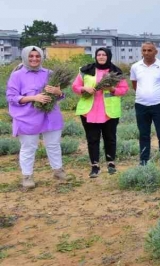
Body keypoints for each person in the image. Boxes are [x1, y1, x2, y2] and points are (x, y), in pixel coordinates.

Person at [6, 46, 67, 189]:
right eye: (31, 56)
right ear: (25, 57)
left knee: (53, 144)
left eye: (37, 56)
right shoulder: (17, 75)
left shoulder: (50, 73)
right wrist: (34, 98)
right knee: (28, 147)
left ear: (41, 57)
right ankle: (27, 177)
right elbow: (11, 97)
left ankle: (58, 170)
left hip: (50, 115)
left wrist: (58, 92)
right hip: (27, 117)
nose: (34, 59)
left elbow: (59, 96)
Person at [73, 47, 130, 177]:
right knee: (92, 139)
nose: (101, 57)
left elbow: (124, 89)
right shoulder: (86, 70)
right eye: (99, 54)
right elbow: (75, 87)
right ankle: (95, 166)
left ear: (108, 56)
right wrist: (84, 88)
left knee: (110, 138)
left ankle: (111, 164)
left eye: (104, 54)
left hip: (108, 111)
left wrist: (112, 89)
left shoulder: (116, 71)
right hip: (89, 111)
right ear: (95, 56)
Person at [130, 42, 160, 170]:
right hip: (141, 105)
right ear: (141, 52)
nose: (146, 53)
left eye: (149, 50)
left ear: (155, 52)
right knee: (143, 134)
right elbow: (135, 84)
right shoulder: (135, 67)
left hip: (159, 105)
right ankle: (144, 160)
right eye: (144, 50)